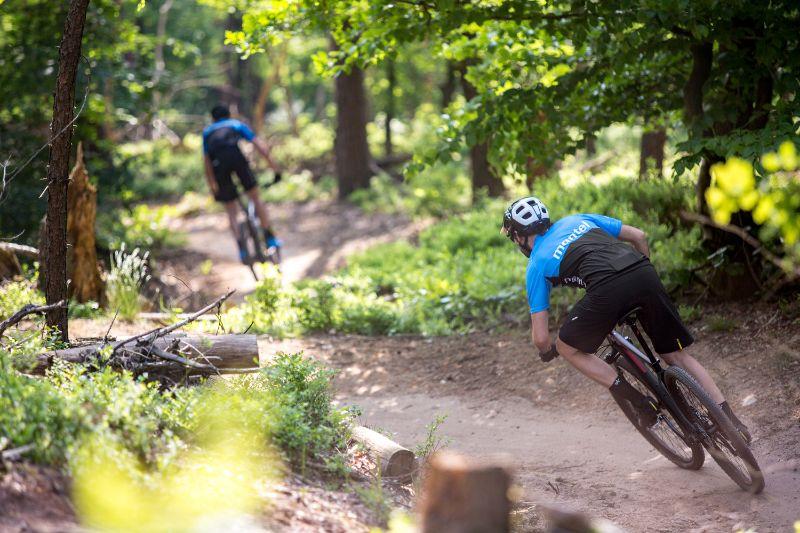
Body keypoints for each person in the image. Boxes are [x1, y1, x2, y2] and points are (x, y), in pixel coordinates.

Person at [501, 196, 751, 441]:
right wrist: (643, 277)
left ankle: (641, 403)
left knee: (567, 347)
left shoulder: (536, 264)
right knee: (676, 355)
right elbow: (638, 236)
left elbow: (541, 338)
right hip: (642, 271)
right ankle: (732, 422)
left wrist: (547, 351)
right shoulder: (577, 219)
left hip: (606, 289)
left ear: (519, 237)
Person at [202, 104, 281, 263]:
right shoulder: (235, 125)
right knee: (255, 198)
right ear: (229, 115)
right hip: (238, 160)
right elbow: (259, 146)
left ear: (213, 119)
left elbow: (207, 162)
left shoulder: (207, 133)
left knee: (231, 210)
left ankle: (242, 249)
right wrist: (275, 168)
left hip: (219, 167)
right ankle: (269, 237)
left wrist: (213, 186)